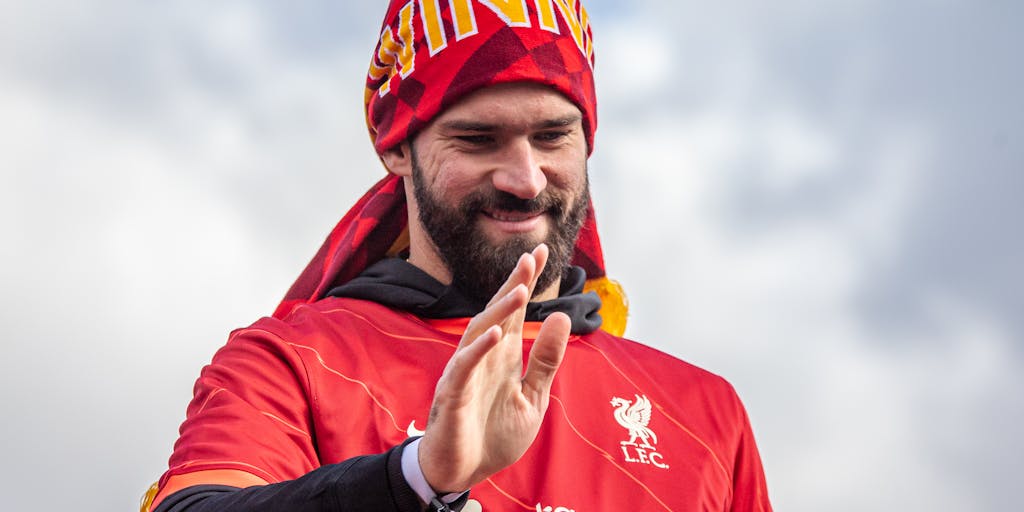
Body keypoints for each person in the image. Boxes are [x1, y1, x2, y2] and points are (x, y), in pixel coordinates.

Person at [143, 2, 772, 511]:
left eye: (553, 135)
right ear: (397, 149)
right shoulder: (294, 361)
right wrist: (417, 479)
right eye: (477, 139)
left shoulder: (703, 412)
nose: (525, 179)